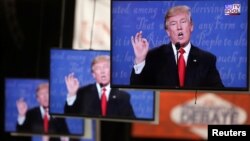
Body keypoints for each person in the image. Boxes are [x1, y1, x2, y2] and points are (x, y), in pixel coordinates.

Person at [130, 5, 224, 88]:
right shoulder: (154, 56)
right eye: (173, 23)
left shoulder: (207, 60)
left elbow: (219, 93)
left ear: (191, 26)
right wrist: (140, 60)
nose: (179, 27)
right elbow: (137, 88)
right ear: (168, 32)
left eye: (183, 22)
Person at [64, 55, 135, 119]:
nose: (102, 71)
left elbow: (131, 121)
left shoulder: (123, 97)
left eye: (106, 67)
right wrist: (72, 94)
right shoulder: (83, 93)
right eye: (98, 68)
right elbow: (69, 116)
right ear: (93, 74)